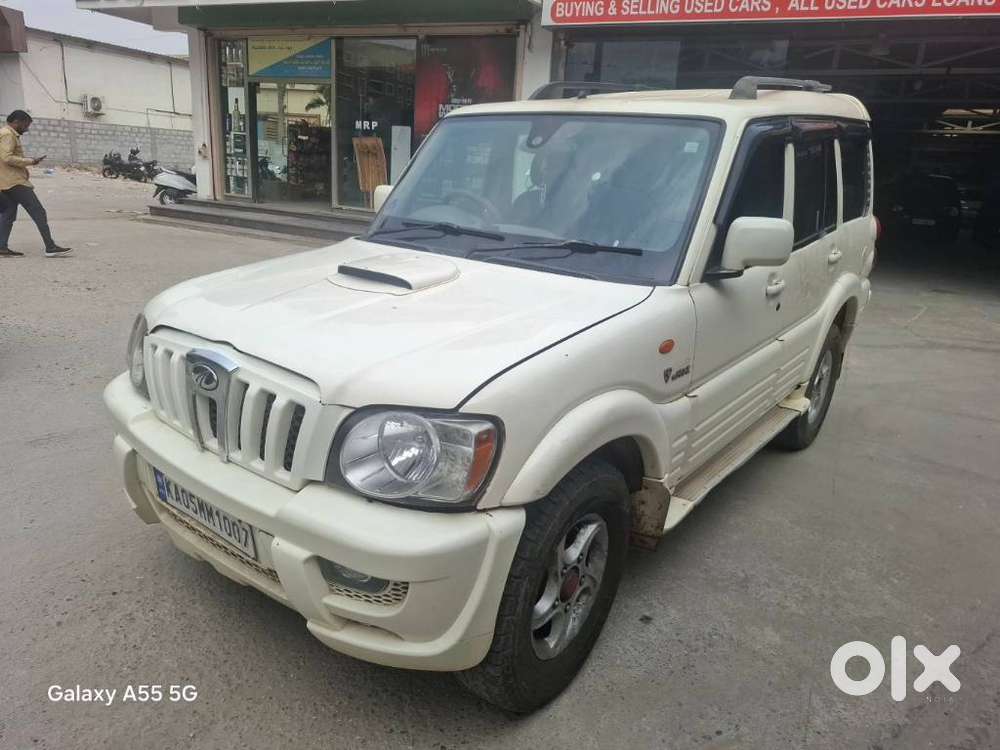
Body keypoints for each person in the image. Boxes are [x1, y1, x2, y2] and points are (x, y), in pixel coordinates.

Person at [0, 110, 71, 258]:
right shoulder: (8, 135)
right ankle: (50, 247)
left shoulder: (4, 133)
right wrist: (30, 161)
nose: (27, 129)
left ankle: (1, 247)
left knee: (8, 213)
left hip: (5, 182)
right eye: (26, 125)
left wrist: (24, 168)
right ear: (17, 122)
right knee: (38, 212)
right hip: (15, 183)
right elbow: (7, 158)